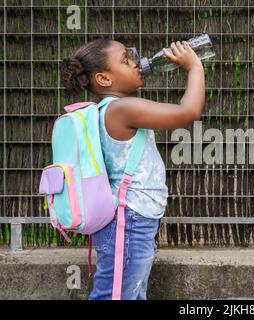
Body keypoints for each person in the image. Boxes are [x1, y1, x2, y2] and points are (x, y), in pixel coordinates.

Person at [60, 38, 205, 300]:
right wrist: (194, 68)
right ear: (104, 79)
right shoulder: (122, 109)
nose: (136, 62)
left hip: (133, 217)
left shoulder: (113, 110)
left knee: (131, 293)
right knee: (115, 295)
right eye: (125, 60)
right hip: (129, 219)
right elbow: (189, 112)